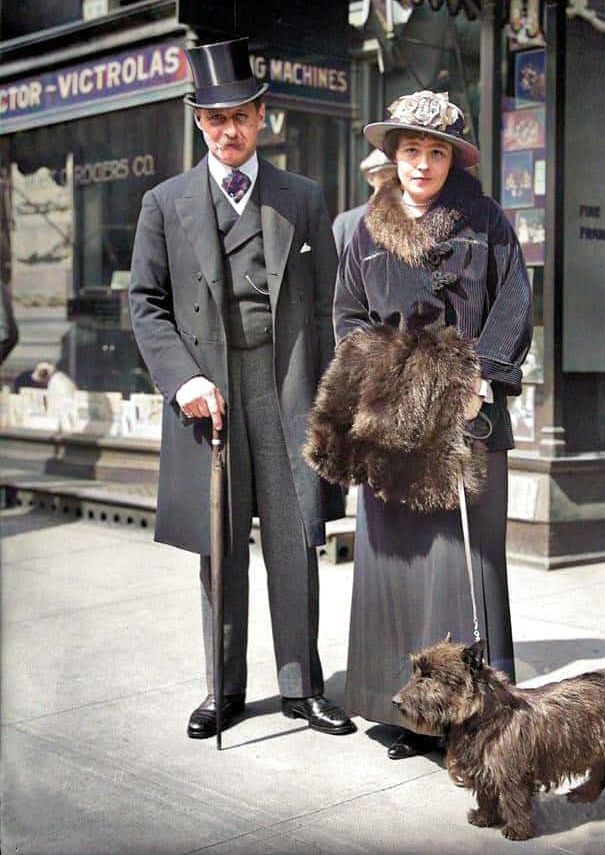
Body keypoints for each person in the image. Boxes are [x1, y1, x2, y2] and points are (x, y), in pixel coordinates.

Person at [128, 38, 354, 740]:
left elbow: (326, 309)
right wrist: (183, 378)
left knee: (295, 541)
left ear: (263, 118)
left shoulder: (303, 198)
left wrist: (331, 394)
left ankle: (301, 686)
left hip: (286, 390)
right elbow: (146, 303)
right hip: (211, 396)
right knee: (219, 547)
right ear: (199, 123)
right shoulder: (165, 204)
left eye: (242, 117)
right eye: (215, 119)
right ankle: (222, 691)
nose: (230, 131)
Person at [332, 91, 532, 759]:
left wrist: (486, 376)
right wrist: (381, 381)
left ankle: (472, 716)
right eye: (411, 150)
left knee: (466, 564)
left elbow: (513, 302)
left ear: (452, 158)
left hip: (466, 417)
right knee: (396, 564)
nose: (422, 163)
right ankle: (405, 712)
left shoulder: (488, 221)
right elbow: (349, 317)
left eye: (436, 151)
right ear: (392, 156)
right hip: (393, 421)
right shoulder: (365, 228)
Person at [332, 149, 396, 257]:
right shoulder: (346, 222)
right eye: (384, 176)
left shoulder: (415, 216)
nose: (390, 182)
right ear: (370, 178)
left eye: (395, 177)